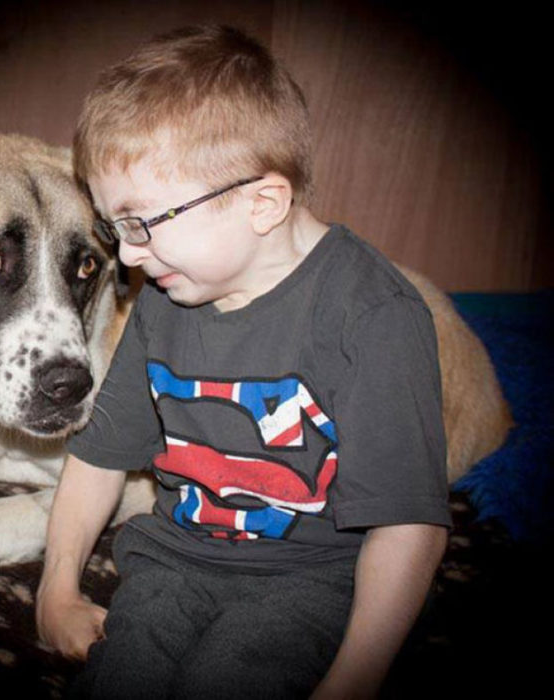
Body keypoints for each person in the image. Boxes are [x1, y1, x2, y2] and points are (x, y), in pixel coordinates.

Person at [36, 24, 451, 699]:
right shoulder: (169, 291)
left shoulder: (375, 316)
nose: (127, 256)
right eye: (117, 228)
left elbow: (412, 529)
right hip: (173, 564)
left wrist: (353, 680)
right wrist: (55, 592)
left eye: (142, 222)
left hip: (318, 580)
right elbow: (99, 455)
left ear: (263, 203)